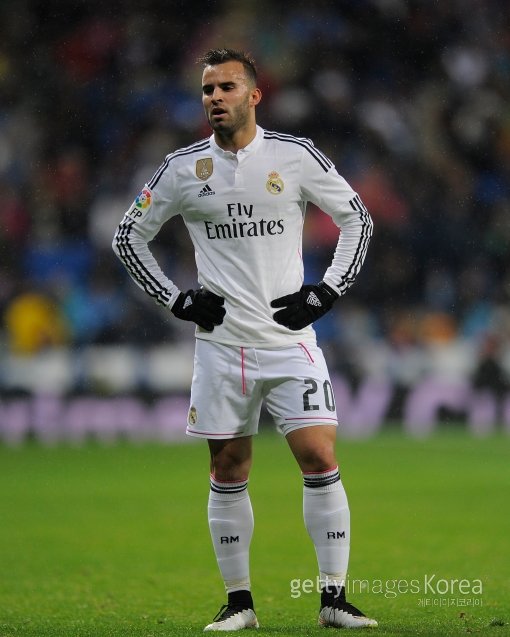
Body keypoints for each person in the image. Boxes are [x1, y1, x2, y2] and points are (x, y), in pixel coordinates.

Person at [112, 48, 377, 631]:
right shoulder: (182, 168)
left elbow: (357, 218)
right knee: (228, 468)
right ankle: (239, 604)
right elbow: (128, 237)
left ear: (255, 95)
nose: (215, 97)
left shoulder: (295, 156)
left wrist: (326, 292)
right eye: (208, 89)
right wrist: (177, 300)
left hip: (289, 341)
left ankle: (334, 598)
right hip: (221, 346)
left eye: (227, 87)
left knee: (320, 456)